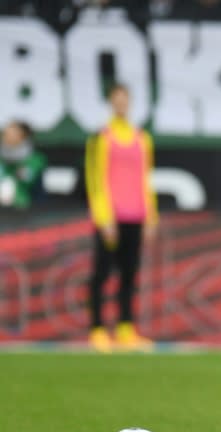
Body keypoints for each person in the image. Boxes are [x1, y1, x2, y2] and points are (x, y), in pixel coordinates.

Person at [84, 83, 159, 352]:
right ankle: (97, 329)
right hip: (110, 219)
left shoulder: (142, 138)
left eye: (125, 100)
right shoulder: (101, 138)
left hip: (135, 215)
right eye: (116, 100)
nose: (121, 105)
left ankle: (126, 328)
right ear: (110, 103)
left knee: (129, 273)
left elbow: (145, 179)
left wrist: (150, 215)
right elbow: (96, 179)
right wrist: (104, 218)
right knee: (102, 273)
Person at [0, 120, 46, 210]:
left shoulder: (34, 158)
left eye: (13, 133)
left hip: (25, 207)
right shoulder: (2, 155)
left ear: (23, 136)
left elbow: (27, 176)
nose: (8, 136)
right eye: (6, 133)